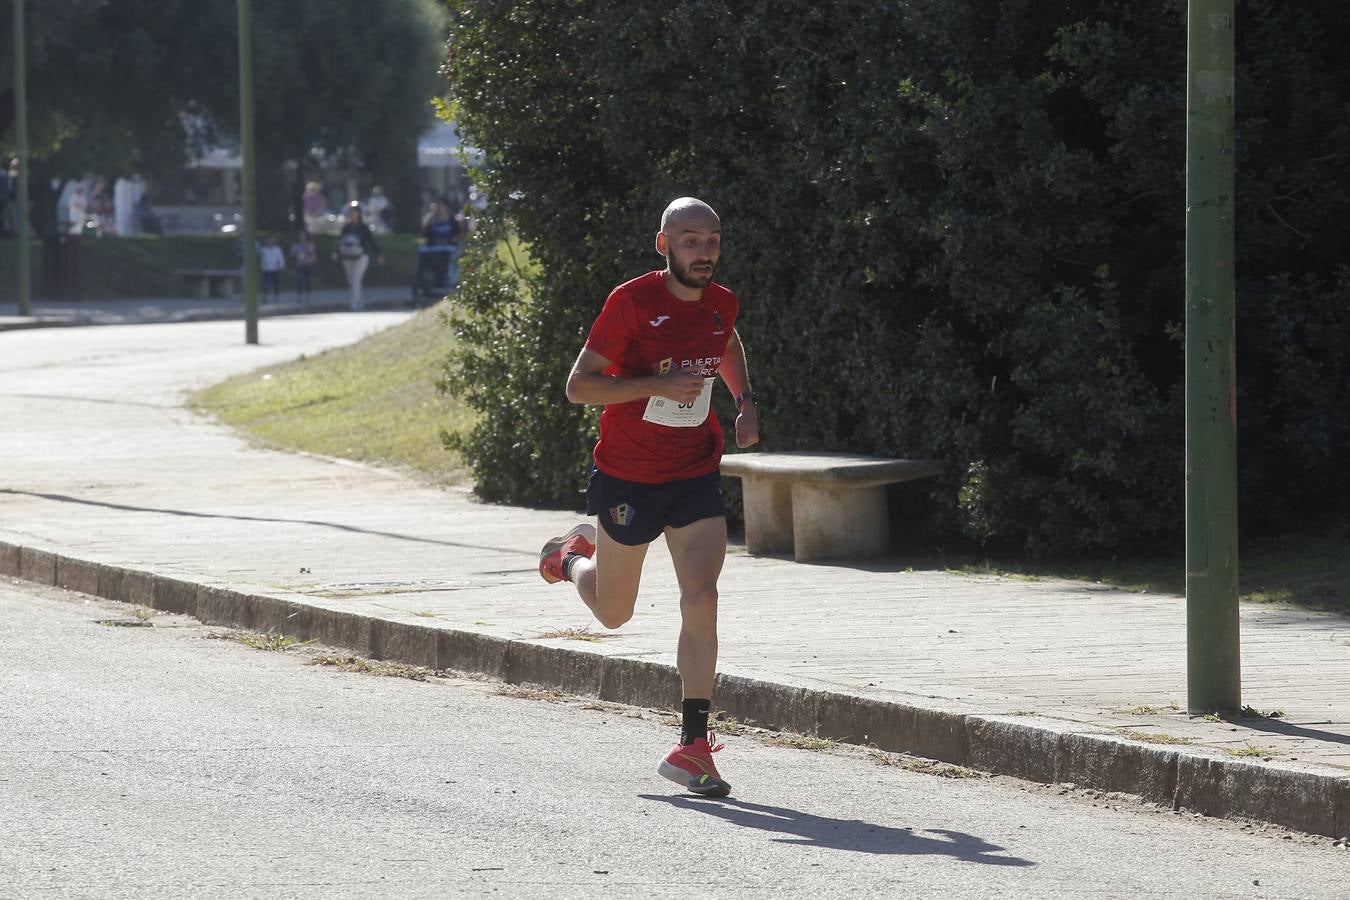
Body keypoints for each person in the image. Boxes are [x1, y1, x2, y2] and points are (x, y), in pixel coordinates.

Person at [538, 197, 759, 797]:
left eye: (712, 240)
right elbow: (579, 386)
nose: (703, 251)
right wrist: (655, 385)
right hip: (629, 476)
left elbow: (727, 344)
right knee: (614, 612)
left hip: (692, 471)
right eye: (690, 240)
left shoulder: (721, 303)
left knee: (703, 594)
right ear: (664, 245)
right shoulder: (631, 301)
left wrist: (744, 402)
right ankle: (571, 559)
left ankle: (693, 745)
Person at [333, 201, 382, 311]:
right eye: (352, 212)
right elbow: (339, 240)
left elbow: (372, 241)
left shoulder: (363, 227)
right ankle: (360, 302)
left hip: (361, 256)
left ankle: (354, 305)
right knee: (351, 280)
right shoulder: (346, 227)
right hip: (347, 257)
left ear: (359, 213)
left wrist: (378, 254)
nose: (353, 214)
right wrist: (336, 251)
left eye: (355, 212)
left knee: (356, 280)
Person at [290, 229, 318, 305]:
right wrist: (295, 261)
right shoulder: (296, 246)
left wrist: (311, 260)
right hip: (300, 265)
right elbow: (293, 255)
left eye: (303, 236)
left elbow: (313, 255)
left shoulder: (310, 245)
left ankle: (308, 295)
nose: (302, 237)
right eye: (300, 236)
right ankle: (300, 295)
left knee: (307, 280)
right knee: (300, 280)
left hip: (308, 265)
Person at [258, 234, 286, 303]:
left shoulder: (277, 249)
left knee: (275, 283)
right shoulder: (263, 250)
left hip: (274, 269)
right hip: (266, 269)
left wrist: (281, 265)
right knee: (265, 283)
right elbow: (260, 258)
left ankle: (277, 296)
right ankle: (265, 296)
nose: (269, 242)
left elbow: (280, 258)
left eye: (271, 241)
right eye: (268, 241)